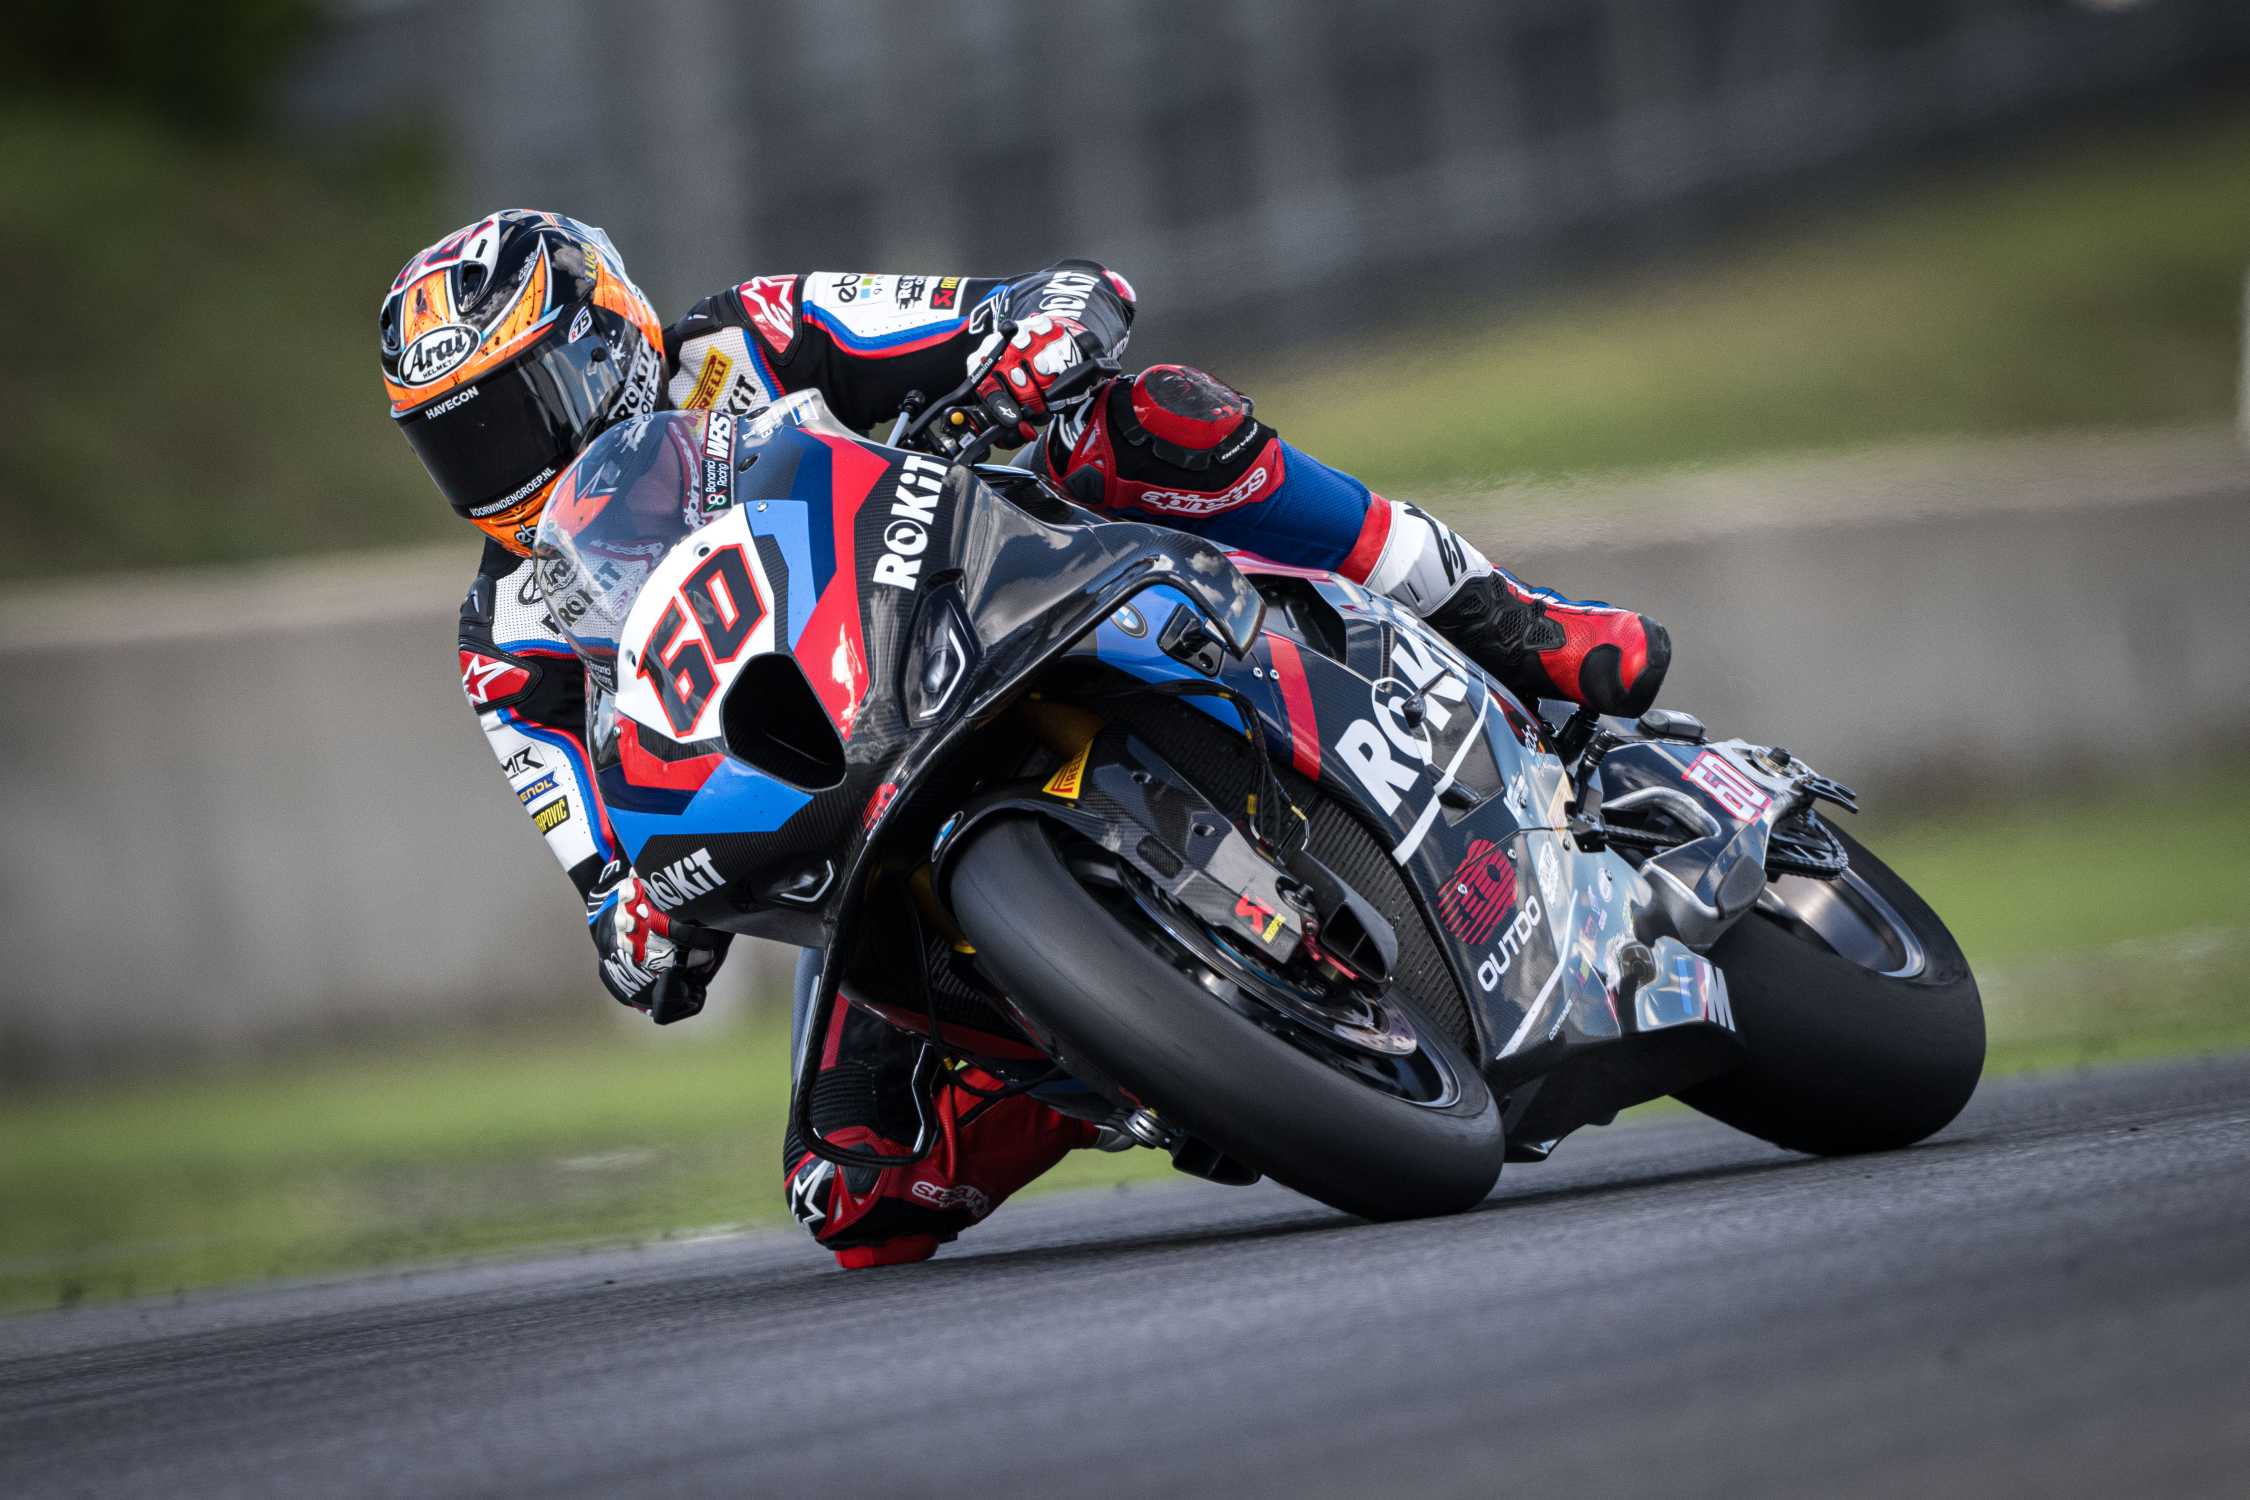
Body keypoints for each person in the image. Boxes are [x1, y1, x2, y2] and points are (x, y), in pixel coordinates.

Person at [380, 210, 1671, 1268]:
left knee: (1148, 417)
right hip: (843, 801)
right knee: (855, 1195)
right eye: (456, 443)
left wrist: (1029, 338)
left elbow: (1034, 300)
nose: (498, 466)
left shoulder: (754, 333)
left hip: (1000, 589)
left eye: (512, 412)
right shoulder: (506, 638)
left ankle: (1506, 615)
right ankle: (1114, 1048)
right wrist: (639, 925)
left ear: (605, 338)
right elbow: (596, 860)